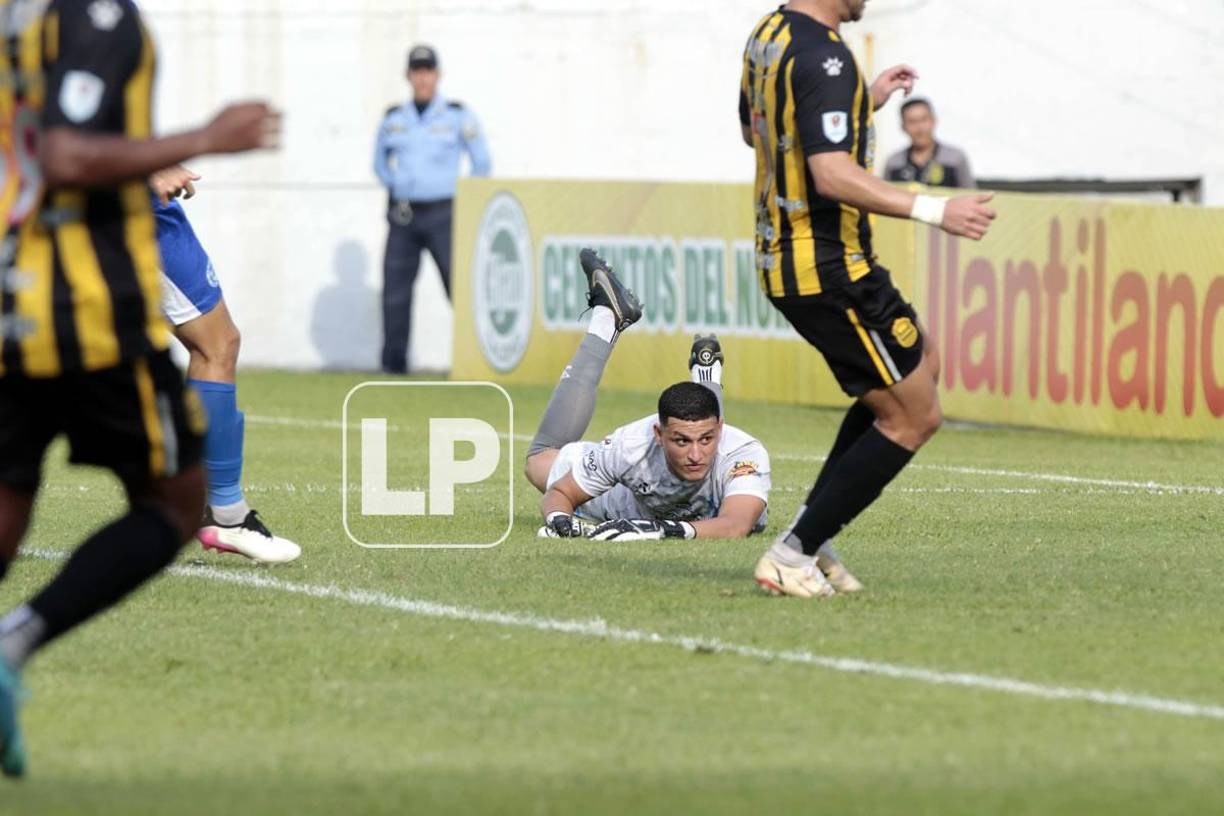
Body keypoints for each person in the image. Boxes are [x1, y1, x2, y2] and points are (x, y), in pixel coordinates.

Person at [0, 0, 279, 777]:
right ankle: (12, 646)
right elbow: (63, 152)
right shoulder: (95, 16)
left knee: (11, 494)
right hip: (86, 307)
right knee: (170, 502)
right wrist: (200, 139)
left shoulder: (20, 23)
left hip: (15, 293)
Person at [738, 0, 996, 598]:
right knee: (915, 414)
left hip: (803, 257)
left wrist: (862, 102)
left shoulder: (768, 36)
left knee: (919, 368)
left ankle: (811, 532)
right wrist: (937, 208)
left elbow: (759, 130)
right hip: (826, 264)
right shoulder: (825, 55)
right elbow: (830, 175)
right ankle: (794, 552)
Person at [526, 250, 810, 550]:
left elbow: (734, 525)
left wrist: (659, 530)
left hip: (658, 518)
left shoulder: (743, 452)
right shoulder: (630, 444)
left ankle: (704, 378)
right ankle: (608, 320)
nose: (696, 455)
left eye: (707, 439)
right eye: (681, 442)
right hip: (625, 505)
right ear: (658, 435)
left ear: (721, 431)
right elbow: (559, 494)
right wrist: (559, 518)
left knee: (702, 421)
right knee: (539, 461)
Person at [146, 166, 301, 564]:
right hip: (124, 209)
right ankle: (224, 512)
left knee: (218, 344)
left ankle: (220, 508)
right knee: (216, 345)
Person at [373, 44, 491, 374]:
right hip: (404, 214)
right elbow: (379, 162)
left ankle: (478, 363)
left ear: (437, 75)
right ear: (409, 76)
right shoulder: (395, 119)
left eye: (428, 71)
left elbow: (481, 161)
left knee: (459, 286)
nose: (422, 78)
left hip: (444, 213)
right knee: (394, 293)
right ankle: (393, 367)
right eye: (416, 71)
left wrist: (466, 198)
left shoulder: (456, 115)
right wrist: (396, 185)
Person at [883, 98, 976, 189]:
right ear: (903, 127)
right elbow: (884, 197)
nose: (919, 128)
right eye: (912, 122)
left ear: (933, 121)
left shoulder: (955, 158)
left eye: (923, 120)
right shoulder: (894, 163)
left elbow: (970, 195)